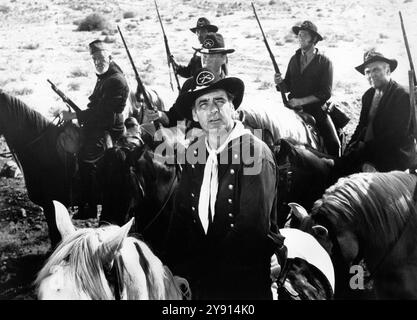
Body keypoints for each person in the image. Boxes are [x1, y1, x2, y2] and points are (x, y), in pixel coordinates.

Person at [163, 68, 285, 300]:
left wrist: (202, 274)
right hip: (200, 278)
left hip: (241, 280)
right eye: (203, 104)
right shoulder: (195, 152)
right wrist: (172, 269)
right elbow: (180, 217)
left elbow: (250, 230)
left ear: (233, 107)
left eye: (219, 101)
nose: (213, 111)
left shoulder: (254, 153)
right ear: (195, 115)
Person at [63, 39, 129, 219]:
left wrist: (76, 116)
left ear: (110, 56)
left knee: (86, 159)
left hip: (109, 127)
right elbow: (95, 103)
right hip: (100, 122)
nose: (98, 62)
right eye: (94, 59)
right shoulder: (105, 76)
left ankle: (90, 208)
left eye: (100, 58)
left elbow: (103, 113)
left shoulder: (115, 80)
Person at [332, 50, 417, 175]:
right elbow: (361, 126)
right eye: (367, 72)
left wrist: (364, 150)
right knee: (336, 170)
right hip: (369, 151)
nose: (371, 75)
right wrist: (349, 149)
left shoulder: (402, 95)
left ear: (388, 71)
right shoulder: (368, 95)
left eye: (376, 70)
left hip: (395, 155)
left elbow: (397, 135)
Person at [274, 20, 340, 156]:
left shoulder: (325, 62)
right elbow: (287, 86)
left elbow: (325, 93)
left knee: (334, 144)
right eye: (299, 35)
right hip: (292, 107)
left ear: (314, 39)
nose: (300, 38)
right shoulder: (294, 59)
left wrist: (300, 101)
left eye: (304, 35)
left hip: (316, 110)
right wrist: (280, 82)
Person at [145, 33, 234, 129]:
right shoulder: (190, 85)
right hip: (193, 140)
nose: (206, 61)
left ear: (224, 58)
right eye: (204, 56)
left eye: (212, 56)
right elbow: (174, 116)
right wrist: (159, 115)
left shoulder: (230, 86)